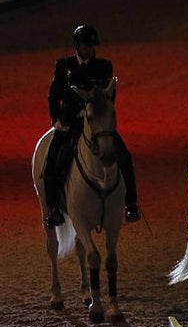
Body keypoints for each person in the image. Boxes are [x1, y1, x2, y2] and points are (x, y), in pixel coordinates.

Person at [44, 24, 142, 227]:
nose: (89, 49)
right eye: (85, 45)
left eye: (91, 46)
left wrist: (98, 114)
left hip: (95, 123)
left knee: (124, 155)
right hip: (70, 124)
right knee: (52, 158)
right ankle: (53, 208)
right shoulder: (64, 65)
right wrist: (57, 120)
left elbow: (109, 96)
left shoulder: (104, 66)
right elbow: (53, 97)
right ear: (77, 46)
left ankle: (131, 203)